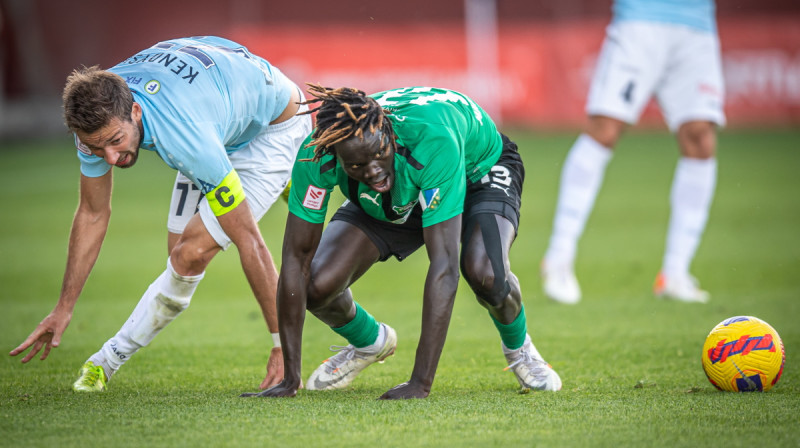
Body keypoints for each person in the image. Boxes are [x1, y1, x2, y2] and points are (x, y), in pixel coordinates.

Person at [8, 36, 312, 391]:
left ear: (135, 111)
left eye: (116, 141)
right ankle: (271, 180)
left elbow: (252, 244)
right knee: (178, 256)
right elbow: (92, 214)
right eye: (96, 147)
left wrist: (283, 349)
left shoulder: (186, 138)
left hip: (272, 127)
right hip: (214, 115)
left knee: (190, 255)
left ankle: (105, 361)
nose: (109, 158)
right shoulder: (97, 118)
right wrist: (63, 307)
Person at [242, 85, 562, 400]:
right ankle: (369, 341)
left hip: (476, 170)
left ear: (388, 134)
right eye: (356, 165)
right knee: (316, 285)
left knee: (486, 274)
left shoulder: (431, 139)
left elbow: (444, 266)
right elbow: (296, 260)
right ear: (335, 156)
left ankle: (520, 350)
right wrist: (289, 379)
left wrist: (419, 383)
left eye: (378, 154)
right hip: (403, 184)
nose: (374, 170)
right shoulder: (316, 156)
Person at [541, 0, 725, 304]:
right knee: (605, 128)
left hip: (699, 26)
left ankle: (675, 272)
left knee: (700, 137)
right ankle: (559, 257)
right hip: (641, 19)